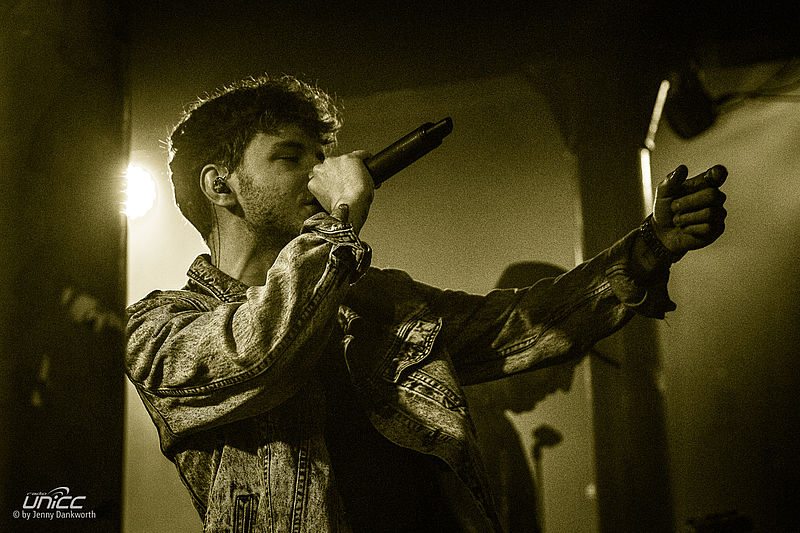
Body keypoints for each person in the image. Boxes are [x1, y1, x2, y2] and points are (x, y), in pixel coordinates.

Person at [125, 74, 728, 532]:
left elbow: (518, 326)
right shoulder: (158, 329)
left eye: (321, 157)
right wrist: (338, 221)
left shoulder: (374, 303)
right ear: (220, 185)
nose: (319, 174)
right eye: (290, 157)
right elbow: (259, 352)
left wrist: (650, 247)